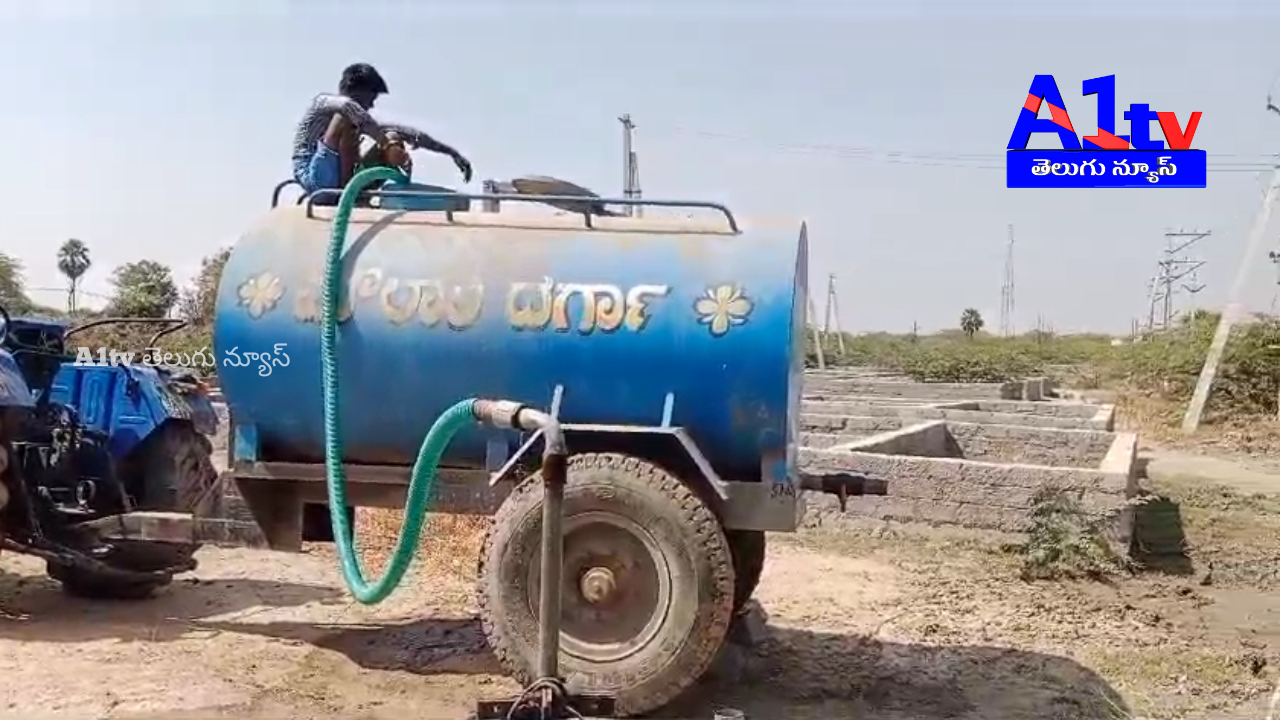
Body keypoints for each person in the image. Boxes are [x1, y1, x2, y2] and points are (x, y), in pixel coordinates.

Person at [291, 63, 472, 195]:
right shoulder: (324, 103)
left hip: (340, 175)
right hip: (314, 176)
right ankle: (345, 192)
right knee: (346, 120)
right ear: (354, 91)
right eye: (370, 97)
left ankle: (353, 192)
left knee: (392, 134)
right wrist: (388, 146)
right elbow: (349, 109)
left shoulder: (362, 120)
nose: (371, 104)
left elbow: (404, 132)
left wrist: (451, 153)